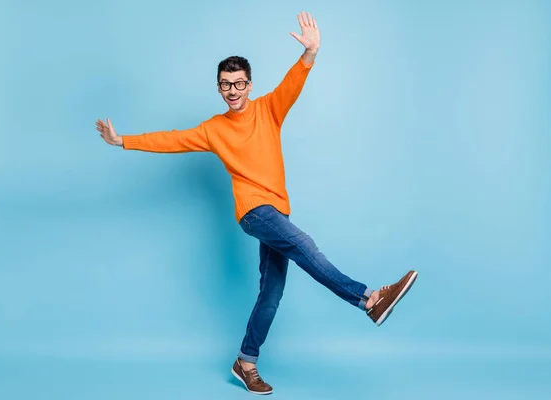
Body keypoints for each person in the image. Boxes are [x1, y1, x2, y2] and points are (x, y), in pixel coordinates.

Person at [96, 11, 418, 395]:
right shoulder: (213, 129)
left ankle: (245, 361)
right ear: (218, 89)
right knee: (304, 246)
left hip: (277, 210)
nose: (232, 90)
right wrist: (122, 141)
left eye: (238, 83)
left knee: (271, 292)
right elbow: (171, 139)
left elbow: (292, 84)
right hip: (253, 212)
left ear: (249, 84)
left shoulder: (268, 110)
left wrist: (311, 53)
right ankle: (369, 299)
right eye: (224, 85)